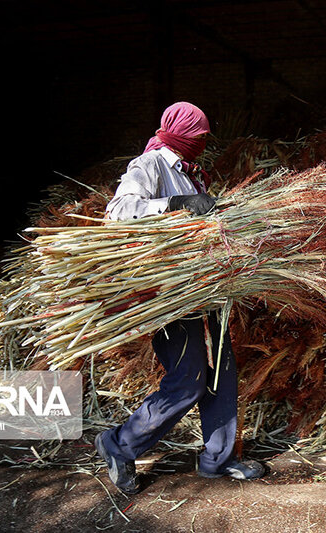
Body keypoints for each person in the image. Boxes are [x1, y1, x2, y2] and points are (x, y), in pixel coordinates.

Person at [94, 102, 264, 494]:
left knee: (221, 374)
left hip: (206, 289)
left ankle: (219, 458)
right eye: (198, 136)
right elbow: (119, 211)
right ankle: (119, 444)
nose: (203, 142)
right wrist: (175, 204)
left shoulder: (191, 174)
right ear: (181, 133)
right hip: (170, 294)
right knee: (189, 380)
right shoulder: (150, 164)